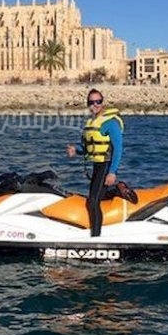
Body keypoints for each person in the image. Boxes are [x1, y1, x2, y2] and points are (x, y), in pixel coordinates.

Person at [66, 89, 128, 237]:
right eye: (91, 102)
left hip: (106, 166)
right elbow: (89, 148)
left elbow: (118, 148)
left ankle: (96, 237)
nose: (95, 105)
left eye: (98, 101)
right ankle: (116, 193)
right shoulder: (91, 123)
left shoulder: (110, 123)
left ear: (102, 102)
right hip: (97, 166)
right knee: (94, 199)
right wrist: (76, 150)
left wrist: (112, 172)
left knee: (93, 201)